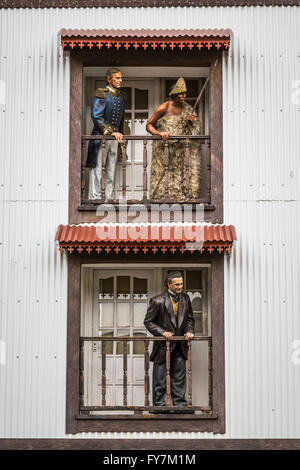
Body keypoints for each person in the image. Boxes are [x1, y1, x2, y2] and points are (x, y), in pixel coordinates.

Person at [144, 271, 195, 413]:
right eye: (177, 284)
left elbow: (190, 319)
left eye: (181, 284)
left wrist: (189, 331)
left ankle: (180, 405)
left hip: (180, 345)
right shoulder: (157, 301)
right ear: (169, 284)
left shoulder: (185, 299)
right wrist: (162, 332)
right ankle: (158, 406)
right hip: (162, 347)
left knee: (179, 377)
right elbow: (148, 322)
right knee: (159, 378)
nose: (180, 286)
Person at [146, 77, 202, 202]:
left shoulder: (187, 108)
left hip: (180, 149)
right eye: (180, 94)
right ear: (174, 94)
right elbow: (149, 125)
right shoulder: (164, 107)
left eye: (184, 93)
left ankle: (181, 198)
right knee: (163, 173)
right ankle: (160, 198)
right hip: (164, 149)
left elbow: (195, 127)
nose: (183, 96)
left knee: (180, 174)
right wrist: (159, 133)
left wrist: (190, 122)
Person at [86, 68, 125, 200]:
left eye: (121, 78)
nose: (120, 80)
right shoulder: (102, 93)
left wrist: (121, 142)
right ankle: (95, 197)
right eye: (117, 78)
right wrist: (111, 132)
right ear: (109, 79)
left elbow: (121, 122)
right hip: (101, 136)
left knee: (111, 169)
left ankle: (107, 196)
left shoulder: (120, 97)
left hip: (115, 138)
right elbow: (96, 116)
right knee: (97, 169)